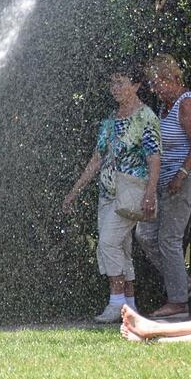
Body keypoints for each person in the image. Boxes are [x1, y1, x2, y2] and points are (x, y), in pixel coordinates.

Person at [63, 64, 161, 322]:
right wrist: (75, 191)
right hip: (107, 193)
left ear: (137, 85)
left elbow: (154, 158)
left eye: (121, 82)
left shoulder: (146, 117)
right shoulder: (110, 120)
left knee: (107, 242)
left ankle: (116, 302)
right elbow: (97, 159)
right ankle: (130, 306)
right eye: (112, 82)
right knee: (122, 247)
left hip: (131, 191)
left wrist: (151, 192)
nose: (115, 88)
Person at [134, 54, 191, 319]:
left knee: (168, 239)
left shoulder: (186, 103)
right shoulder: (166, 106)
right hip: (163, 184)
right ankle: (185, 285)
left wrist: (182, 175)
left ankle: (178, 302)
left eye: (157, 83)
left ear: (172, 78)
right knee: (145, 234)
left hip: (183, 182)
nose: (154, 89)